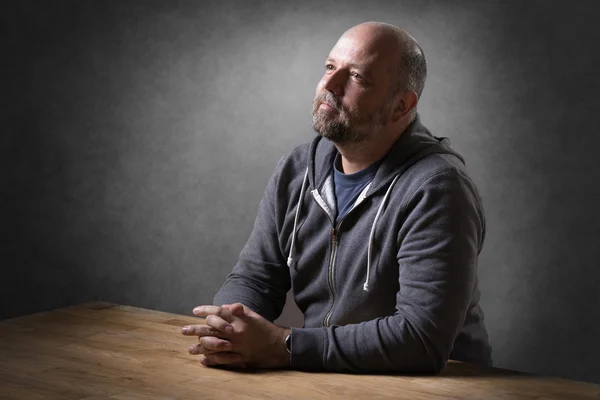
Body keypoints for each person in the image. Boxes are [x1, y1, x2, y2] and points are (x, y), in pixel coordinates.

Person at [181, 21, 492, 373]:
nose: (329, 85)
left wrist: (284, 345)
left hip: (437, 387)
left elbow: (421, 340)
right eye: (330, 67)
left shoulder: (437, 188)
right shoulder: (297, 170)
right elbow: (255, 278)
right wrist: (228, 329)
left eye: (357, 77)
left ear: (401, 106)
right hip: (327, 375)